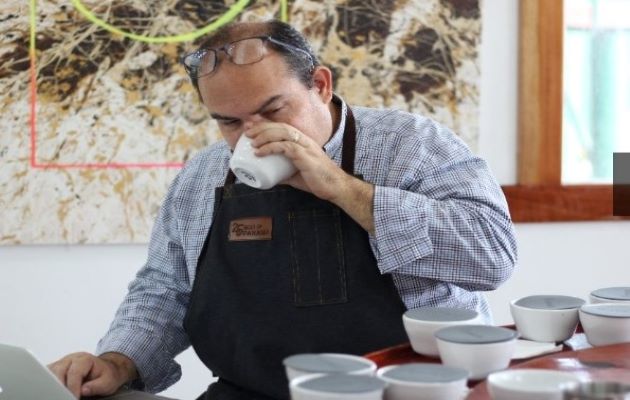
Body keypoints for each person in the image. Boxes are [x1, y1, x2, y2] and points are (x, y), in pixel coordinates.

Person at [49, 20, 517, 400]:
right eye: (230, 122)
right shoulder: (202, 176)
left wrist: (340, 187)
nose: (252, 135)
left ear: (319, 83)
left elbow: (491, 256)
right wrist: (116, 362)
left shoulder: (412, 145)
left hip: (410, 392)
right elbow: (164, 291)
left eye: (272, 110)